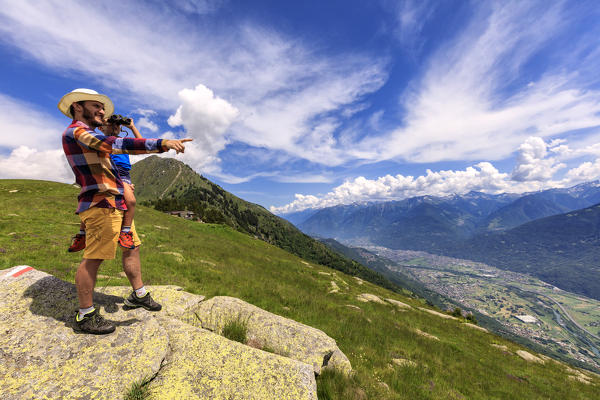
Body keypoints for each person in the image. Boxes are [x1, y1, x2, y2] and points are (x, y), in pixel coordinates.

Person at [58, 88, 192, 334]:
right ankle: (85, 315)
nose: (101, 111)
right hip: (101, 203)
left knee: (132, 247)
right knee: (94, 258)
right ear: (77, 106)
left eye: (103, 108)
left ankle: (138, 294)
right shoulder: (77, 131)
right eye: (96, 106)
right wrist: (162, 143)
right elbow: (114, 143)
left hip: (115, 202)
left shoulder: (87, 132)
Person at [68, 117, 143, 252]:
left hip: (124, 174)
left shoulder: (123, 142)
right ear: (101, 128)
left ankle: (125, 232)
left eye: (117, 125)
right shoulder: (101, 141)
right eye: (110, 124)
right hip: (109, 170)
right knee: (91, 202)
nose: (115, 127)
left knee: (131, 201)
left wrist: (132, 127)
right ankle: (82, 234)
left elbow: (140, 143)